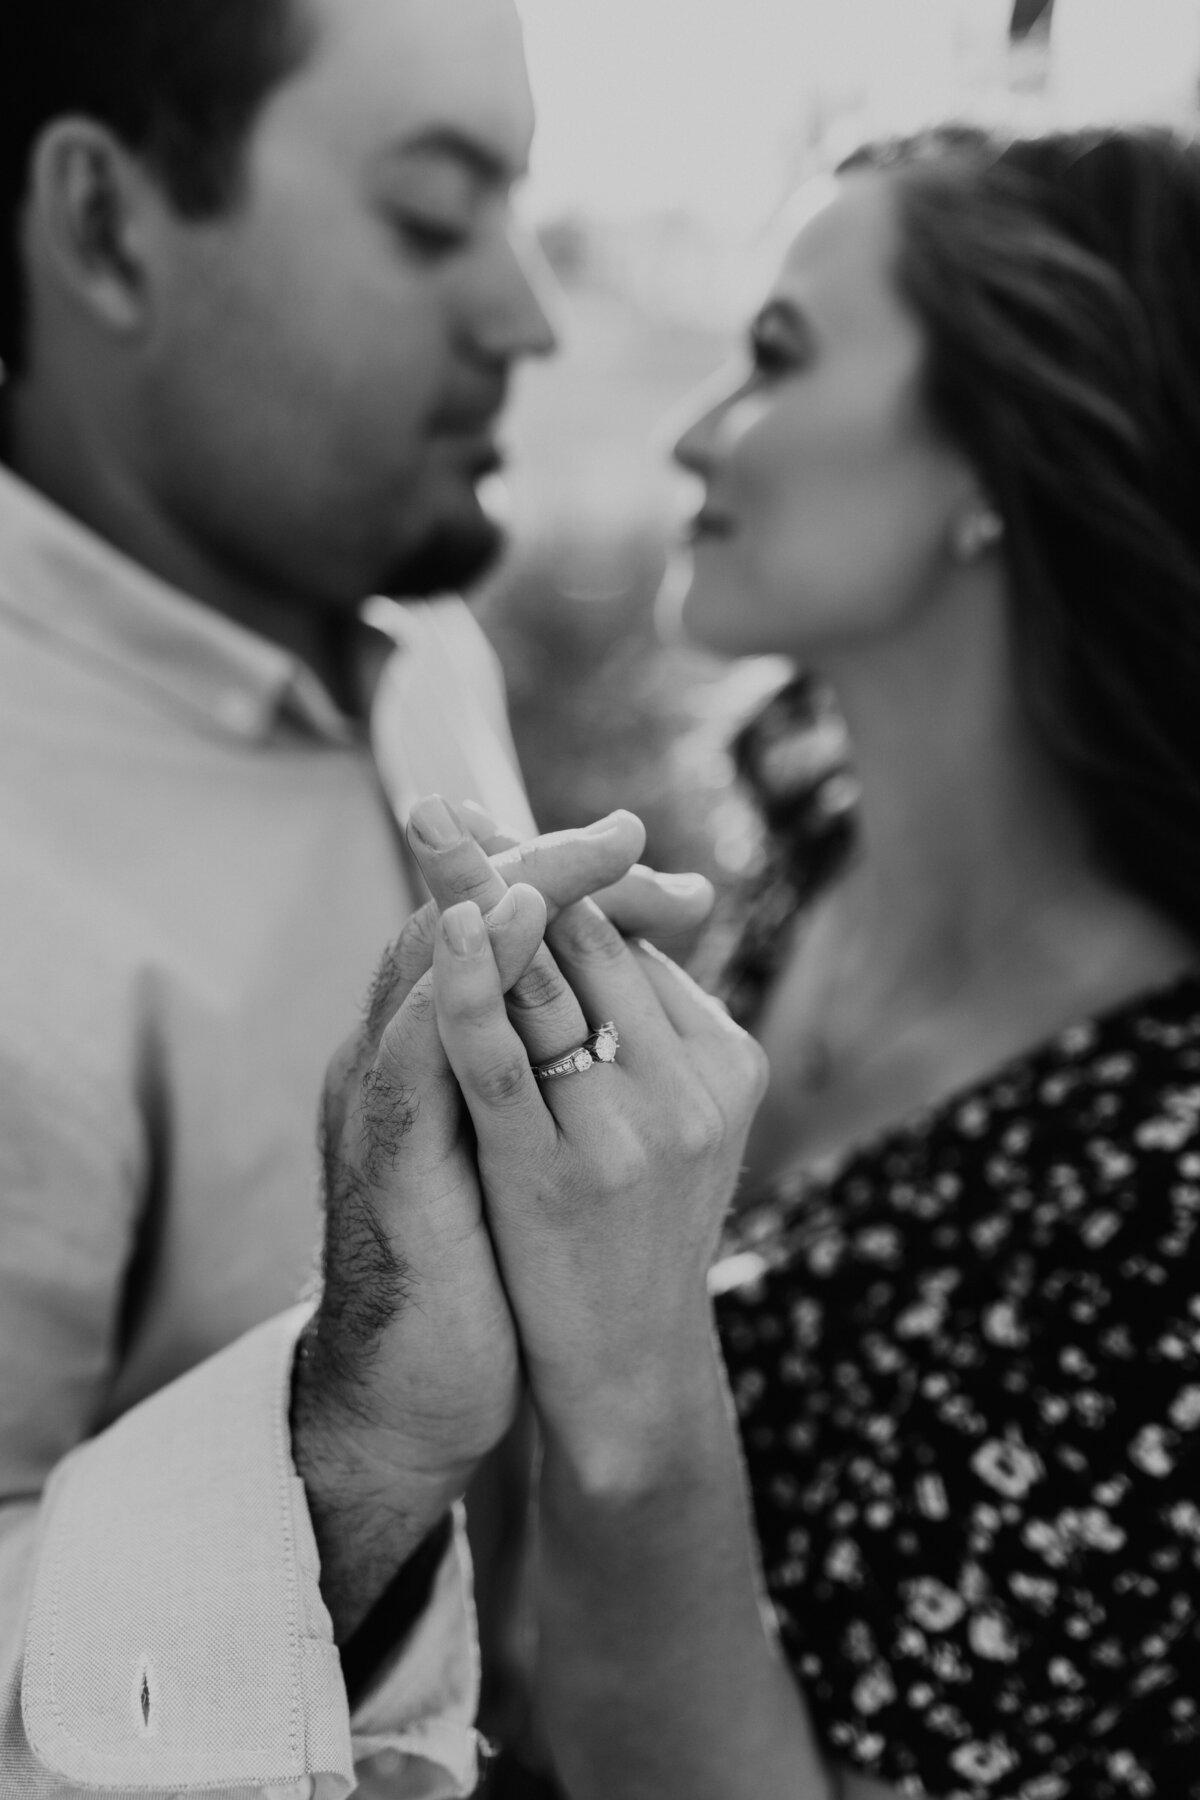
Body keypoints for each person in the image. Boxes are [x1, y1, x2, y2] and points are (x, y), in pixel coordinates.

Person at [384, 122, 1200, 1800]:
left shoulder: (1168, 1203)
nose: (693, 433)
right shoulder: (791, 851)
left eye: (774, 359)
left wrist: (632, 1368)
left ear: (1005, 450)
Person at [0, 1, 711, 1794]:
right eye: (428, 214)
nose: (530, 317)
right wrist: (357, 1449)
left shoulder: (414, 643)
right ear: (104, 227)